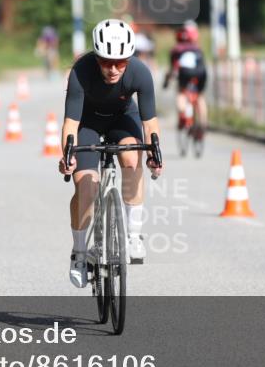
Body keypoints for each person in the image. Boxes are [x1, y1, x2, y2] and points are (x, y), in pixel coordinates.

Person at [59, 18, 163, 288]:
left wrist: (155, 153)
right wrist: (68, 155)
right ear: (96, 57)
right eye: (107, 62)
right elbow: (70, 123)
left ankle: (133, 236)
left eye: (121, 63)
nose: (114, 69)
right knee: (86, 188)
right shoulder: (80, 72)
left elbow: (150, 122)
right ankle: (80, 253)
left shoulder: (140, 72)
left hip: (122, 118)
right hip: (88, 122)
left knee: (132, 158)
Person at [163, 20, 208, 130]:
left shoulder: (176, 50)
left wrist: (166, 82)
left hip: (185, 72)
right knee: (200, 96)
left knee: (181, 92)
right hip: (201, 72)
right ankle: (203, 123)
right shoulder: (198, 49)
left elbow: (172, 69)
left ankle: (183, 114)